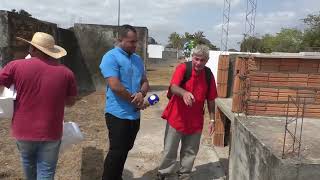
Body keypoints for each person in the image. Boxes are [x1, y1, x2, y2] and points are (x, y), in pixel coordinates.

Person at [0, 32, 77, 179]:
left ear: (34, 49)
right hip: (51, 130)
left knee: (28, 165)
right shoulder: (66, 73)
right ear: (51, 52)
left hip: (22, 130)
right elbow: (71, 102)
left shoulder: (15, 66)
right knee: (46, 171)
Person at [157, 45, 217, 180]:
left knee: (190, 151)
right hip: (176, 117)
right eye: (196, 59)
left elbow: (211, 99)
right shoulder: (183, 68)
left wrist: (212, 120)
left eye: (202, 60)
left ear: (207, 60)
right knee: (170, 150)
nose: (198, 63)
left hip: (195, 121)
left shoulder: (208, 74)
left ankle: (184, 175)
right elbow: (173, 87)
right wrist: (184, 93)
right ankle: (165, 174)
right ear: (192, 57)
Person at [99, 24, 150, 180]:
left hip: (134, 116)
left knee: (126, 148)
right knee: (117, 151)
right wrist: (136, 101)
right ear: (120, 40)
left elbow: (145, 81)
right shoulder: (110, 57)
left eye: (136, 41)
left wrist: (141, 93)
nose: (135, 45)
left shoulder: (137, 59)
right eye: (131, 42)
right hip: (118, 114)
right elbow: (115, 86)